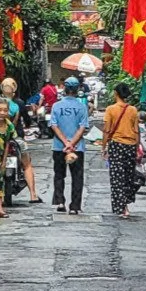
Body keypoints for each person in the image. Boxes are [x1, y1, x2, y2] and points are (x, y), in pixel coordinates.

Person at [47, 75, 91, 214]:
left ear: (64, 89)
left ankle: (60, 201)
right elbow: (82, 127)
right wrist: (72, 143)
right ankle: (75, 206)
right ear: (78, 89)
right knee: (77, 177)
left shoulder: (56, 106)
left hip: (59, 146)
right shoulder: (81, 107)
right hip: (77, 147)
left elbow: (54, 125)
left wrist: (65, 142)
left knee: (59, 174)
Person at [102, 78, 142, 217]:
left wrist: (104, 146)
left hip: (117, 145)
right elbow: (136, 130)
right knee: (128, 176)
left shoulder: (110, 109)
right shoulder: (133, 110)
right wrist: (137, 148)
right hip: (130, 146)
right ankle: (125, 204)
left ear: (116, 93)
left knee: (117, 177)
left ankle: (122, 207)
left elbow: (107, 130)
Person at [0, 75, 39, 203]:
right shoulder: (19, 104)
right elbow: (26, 120)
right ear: (14, 89)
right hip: (17, 138)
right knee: (27, 164)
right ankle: (33, 194)